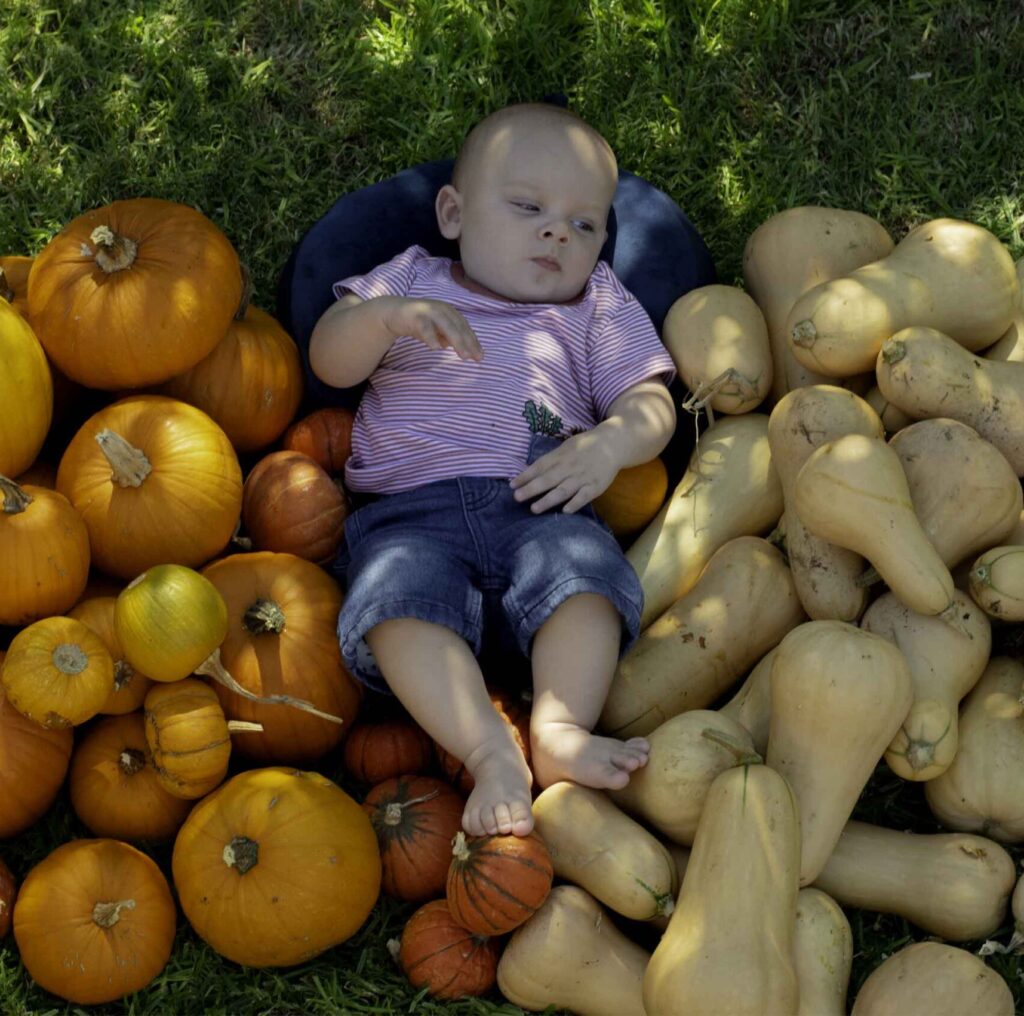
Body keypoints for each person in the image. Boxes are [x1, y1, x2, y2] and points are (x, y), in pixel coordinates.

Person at [309, 102, 677, 838]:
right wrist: (386, 320)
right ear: (453, 212)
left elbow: (651, 401)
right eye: (528, 207)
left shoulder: (593, 305)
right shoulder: (410, 279)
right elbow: (327, 358)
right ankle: (489, 749)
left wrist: (609, 445)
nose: (556, 233)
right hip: (410, 517)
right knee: (394, 606)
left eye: (585, 225)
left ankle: (560, 729)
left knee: (587, 582)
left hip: (538, 506)